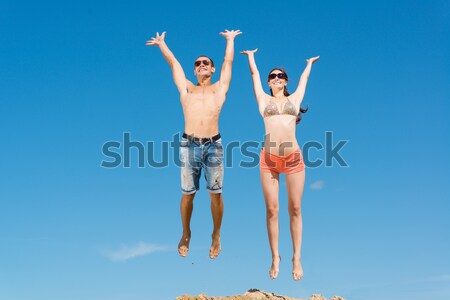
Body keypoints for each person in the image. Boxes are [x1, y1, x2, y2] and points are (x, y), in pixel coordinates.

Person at [146, 30, 242, 259]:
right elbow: (174, 63)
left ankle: (216, 234)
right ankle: (186, 232)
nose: (201, 65)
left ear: (212, 68)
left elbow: (229, 61)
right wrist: (162, 44)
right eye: (197, 63)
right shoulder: (187, 88)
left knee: (215, 194)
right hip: (189, 145)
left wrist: (230, 41)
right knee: (188, 194)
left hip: (214, 146)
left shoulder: (219, 88)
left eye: (205, 62)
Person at [241, 48, 319, 280]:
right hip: (269, 160)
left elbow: (305, 79)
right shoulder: (263, 100)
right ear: (269, 81)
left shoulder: (294, 99)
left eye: (280, 76)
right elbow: (254, 76)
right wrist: (251, 57)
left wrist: (309, 63)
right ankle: (275, 256)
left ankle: (296, 257)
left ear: (285, 81)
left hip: (293, 159)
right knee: (272, 210)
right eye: (272, 76)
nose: (276, 78)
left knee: (295, 209)